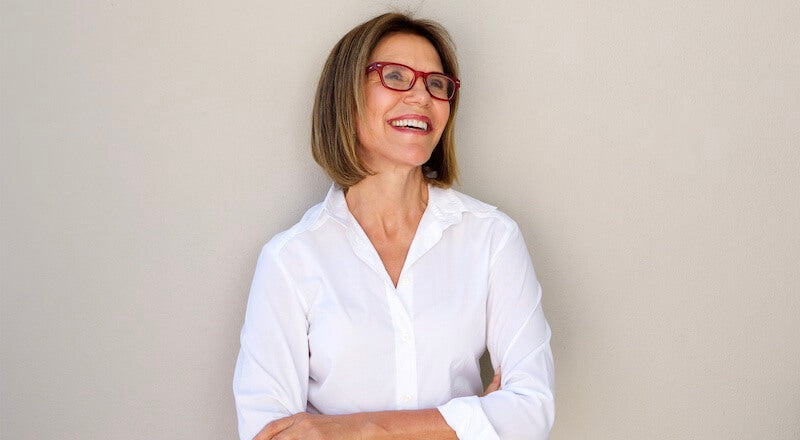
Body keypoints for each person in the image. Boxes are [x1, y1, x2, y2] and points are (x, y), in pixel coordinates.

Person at [233, 12, 555, 440]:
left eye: (436, 84)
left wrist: (355, 429)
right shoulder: (291, 260)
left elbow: (532, 411)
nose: (422, 96)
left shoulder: (491, 238)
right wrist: (471, 420)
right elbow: (270, 434)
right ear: (346, 96)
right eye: (396, 76)